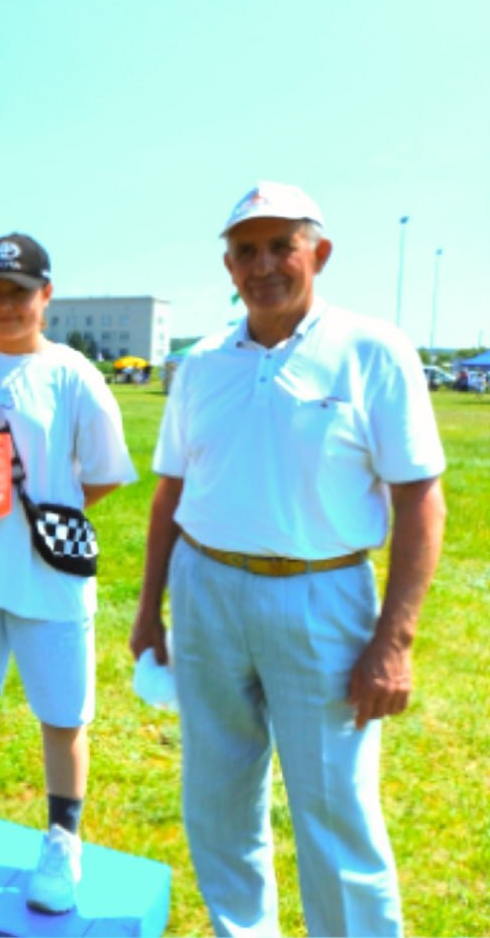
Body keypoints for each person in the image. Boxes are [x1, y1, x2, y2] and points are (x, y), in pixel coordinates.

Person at [130, 182, 447, 936]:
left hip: (322, 597)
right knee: (217, 796)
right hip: (206, 589)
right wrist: (150, 610)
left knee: (336, 808)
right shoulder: (202, 363)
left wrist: (393, 641)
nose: (263, 264)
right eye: (246, 249)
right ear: (228, 264)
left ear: (320, 253)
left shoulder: (374, 350)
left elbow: (420, 501)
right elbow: (170, 490)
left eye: (282, 245)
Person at [0, 233, 136, 915]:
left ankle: (62, 837)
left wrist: (48, 512)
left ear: (46, 295)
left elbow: (103, 472)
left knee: (63, 711)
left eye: (19, 291)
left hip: (49, 574)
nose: (6, 305)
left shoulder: (74, 373)